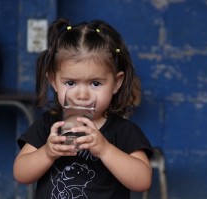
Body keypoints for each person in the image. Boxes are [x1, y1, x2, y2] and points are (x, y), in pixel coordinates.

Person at [13, 18, 153, 199]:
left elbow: (142, 182)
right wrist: (47, 153)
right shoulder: (49, 125)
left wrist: (105, 150)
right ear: (54, 81)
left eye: (95, 83)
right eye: (70, 82)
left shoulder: (124, 131)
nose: (82, 94)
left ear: (116, 83)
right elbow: (21, 174)